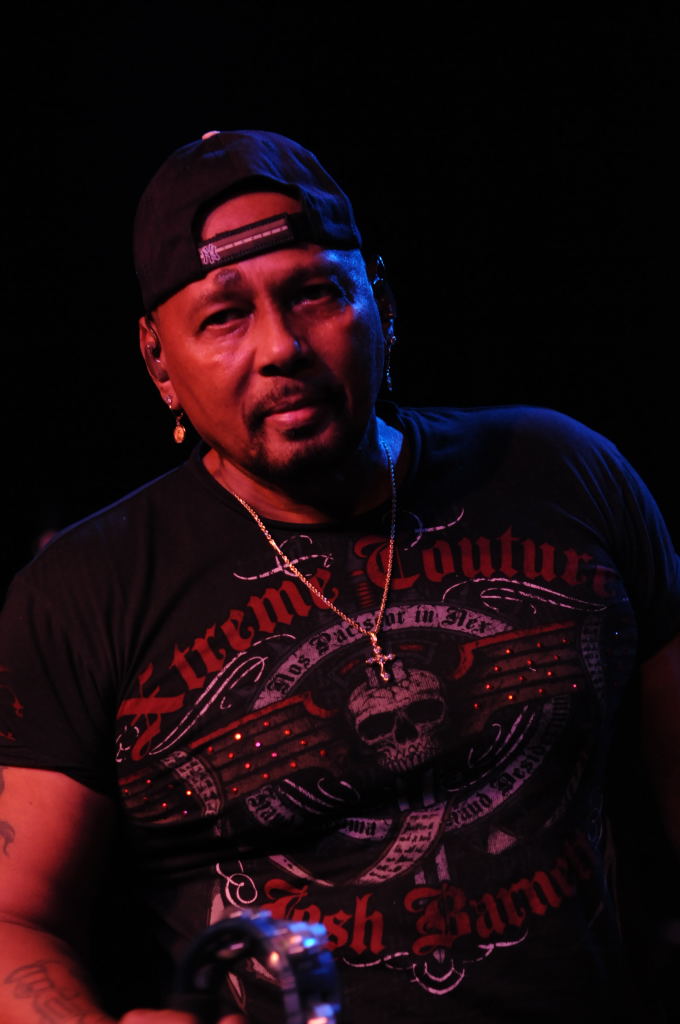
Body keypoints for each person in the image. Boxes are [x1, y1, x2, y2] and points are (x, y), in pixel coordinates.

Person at [0, 129, 678, 1024]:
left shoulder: (563, 473)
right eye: (224, 316)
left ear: (382, 304)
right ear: (159, 361)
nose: (281, 347)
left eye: (314, 293)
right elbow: (16, 916)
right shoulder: (82, 594)